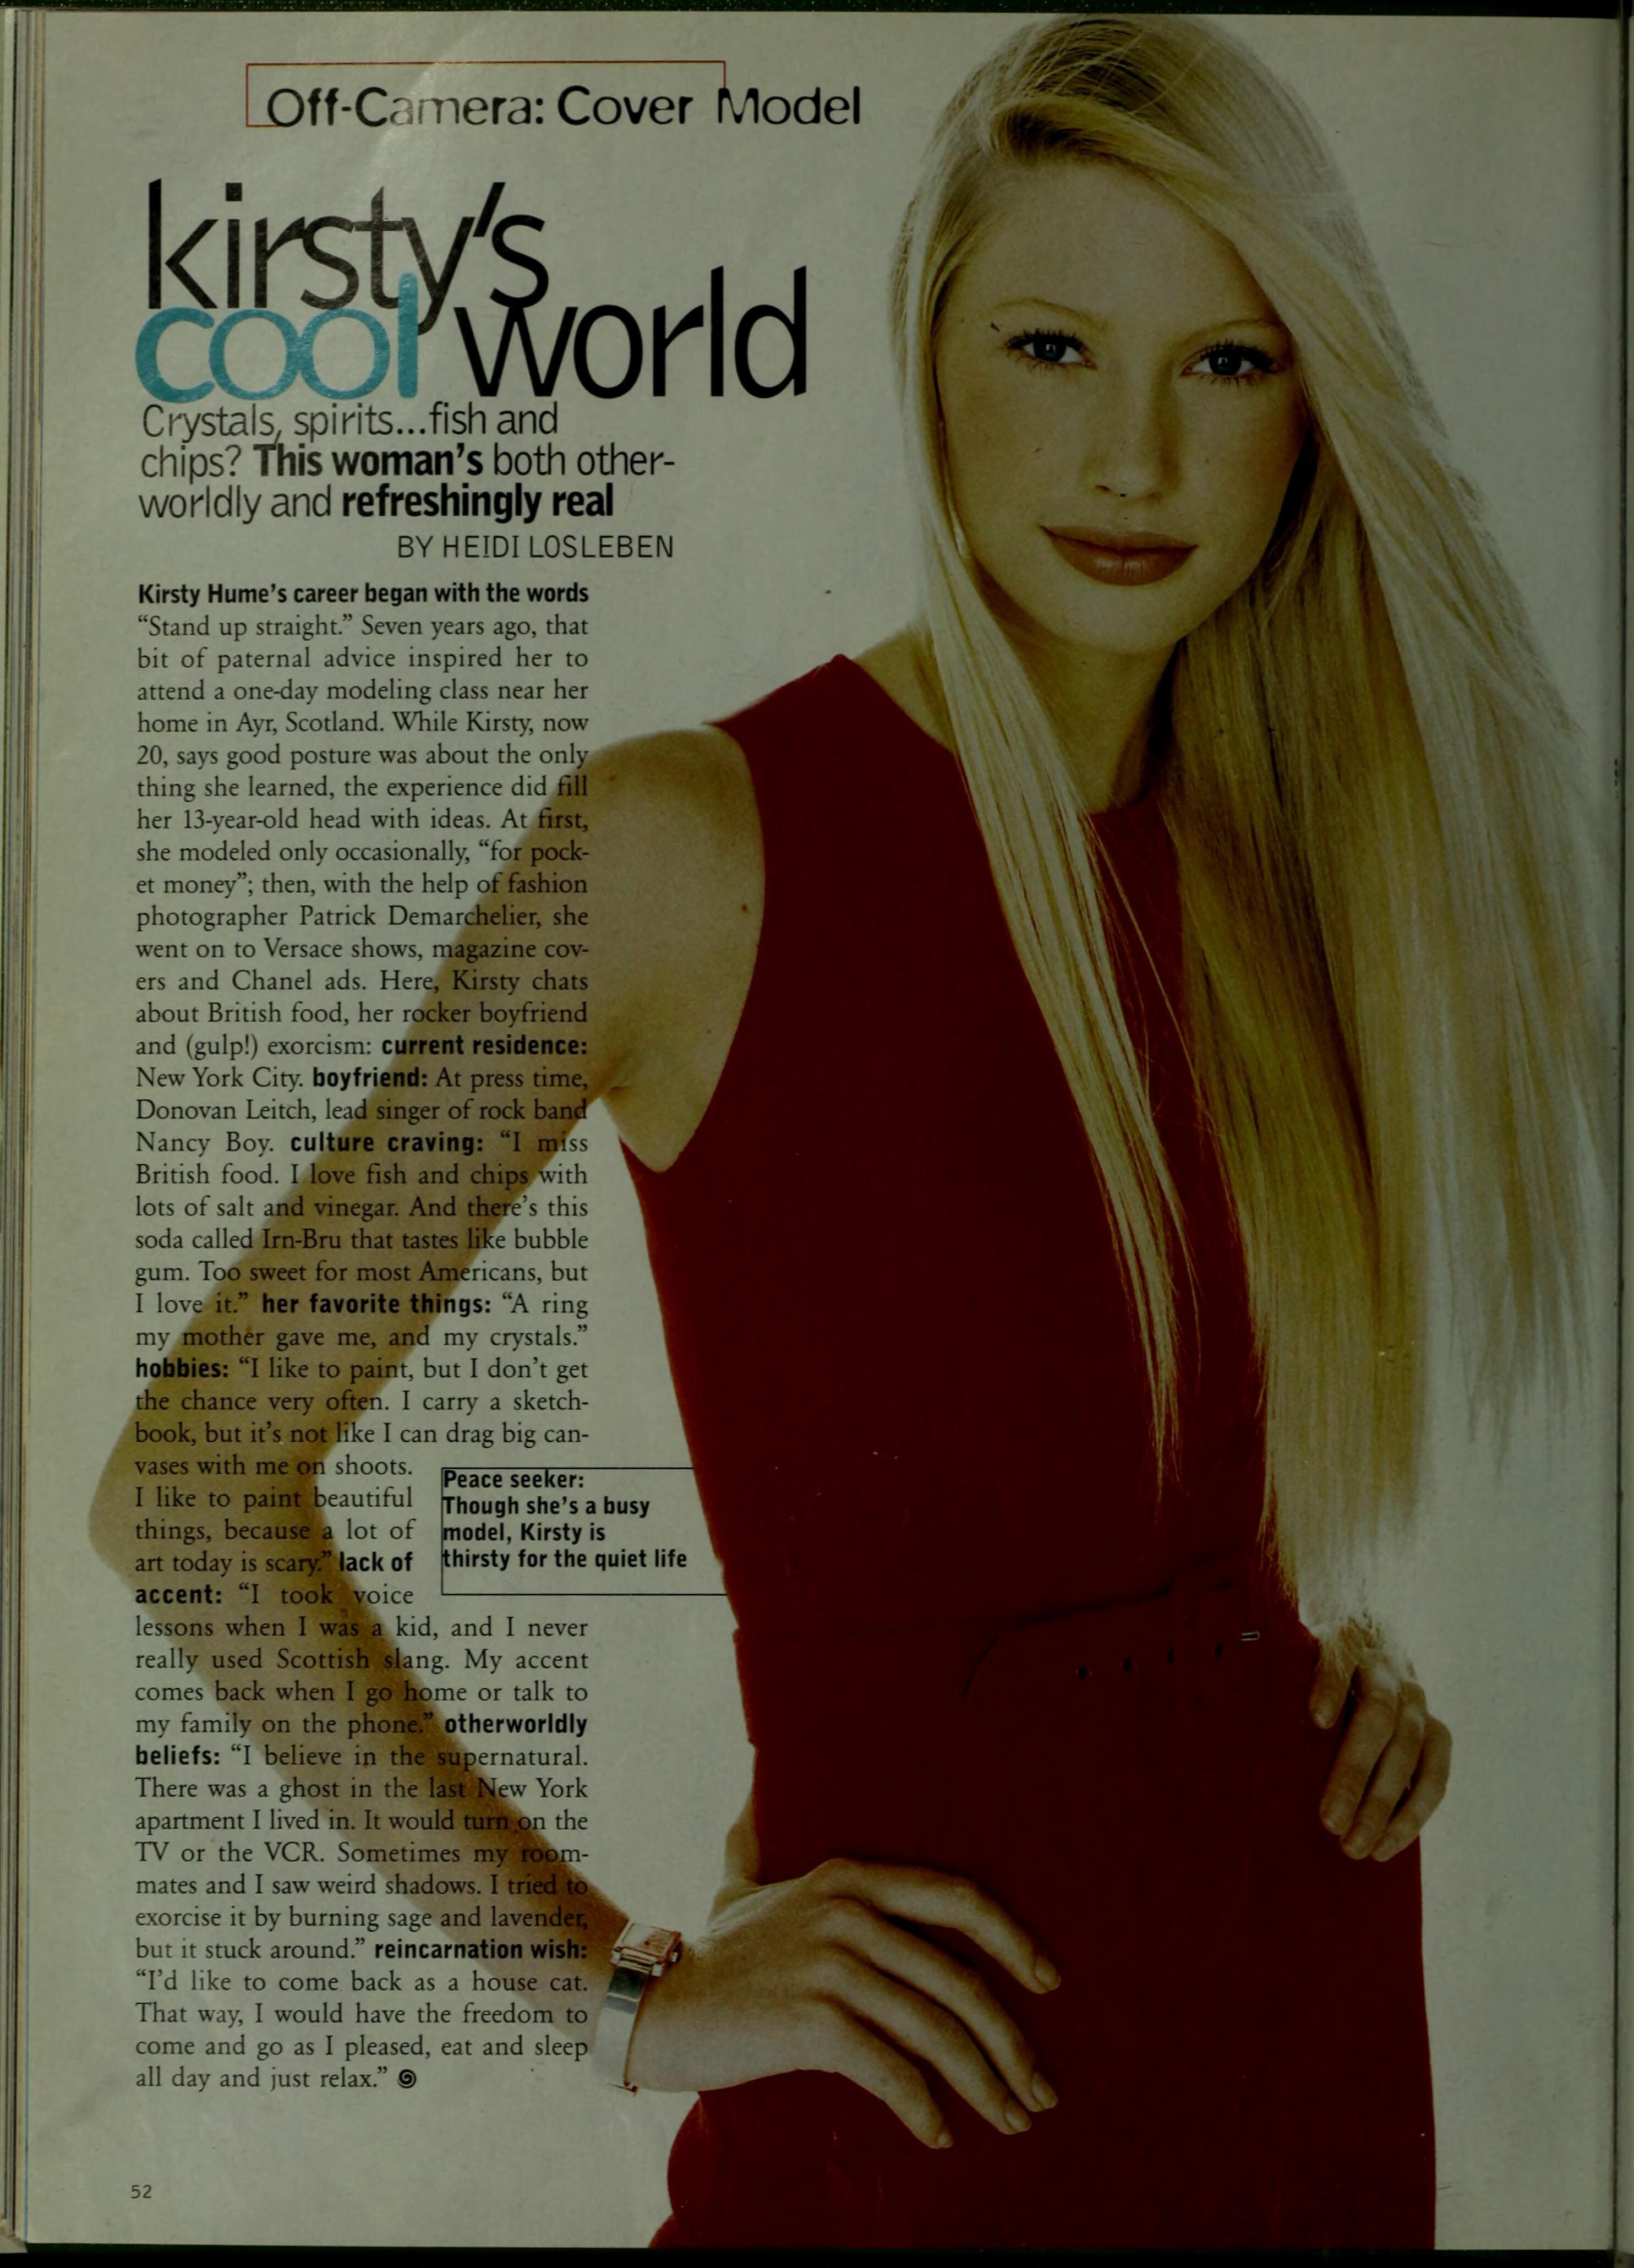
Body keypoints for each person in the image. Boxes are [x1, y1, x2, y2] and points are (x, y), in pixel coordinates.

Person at [94, 13, 1605, 2249]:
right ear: (925, 362)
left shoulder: (1291, 870)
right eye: (1049, 346)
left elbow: (1144, 1465)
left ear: (1311, 410)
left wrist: (1317, 1665)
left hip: (1303, 2065)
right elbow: (187, 1490)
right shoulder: (682, 845)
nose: (1130, 456)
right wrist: (622, 1991)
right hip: (911, 2135)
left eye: (1223, 363)